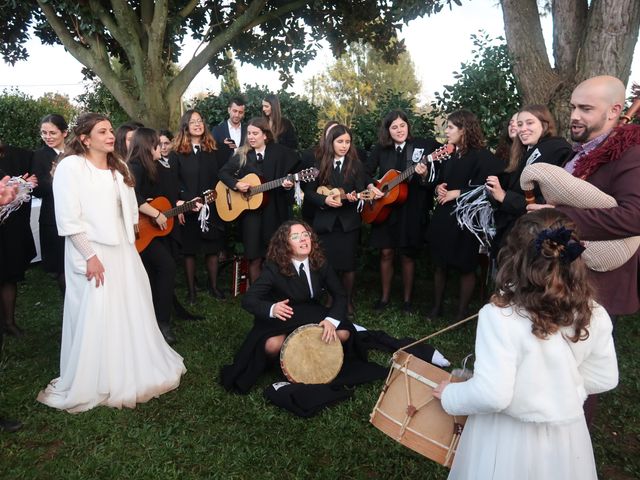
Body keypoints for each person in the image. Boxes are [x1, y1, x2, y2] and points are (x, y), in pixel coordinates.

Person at [432, 209, 618, 480]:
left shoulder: (499, 316)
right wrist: (559, 389)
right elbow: (605, 377)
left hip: (506, 436)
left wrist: (450, 395)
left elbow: (492, 394)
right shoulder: (595, 313)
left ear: (514, 257)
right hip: (566, 437)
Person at [37, 113, 185, 412]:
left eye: (109, 131)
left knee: (129, 307)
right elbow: (69, 218)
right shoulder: (71, 167)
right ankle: (98, 376)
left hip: (122, 250)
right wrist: (89, 256)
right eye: (102, 131)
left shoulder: (118, 167)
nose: (109, 136)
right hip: (91, 252)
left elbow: (130, 211)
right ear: (84, 138)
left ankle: (130, 365)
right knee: (97, 311)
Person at [528, 75, 640, 319]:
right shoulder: (580, 152)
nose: (574, 116)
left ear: (615, 111)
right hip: (562, 281)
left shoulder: (631, 154)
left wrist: (558, 218)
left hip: (597, 290)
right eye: (573, 107)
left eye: (586, 109)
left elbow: (635, 216)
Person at [220, 220, 353, 393]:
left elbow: (340, 295)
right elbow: (249, 300)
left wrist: (331, 320)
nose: (303, 240)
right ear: (285, 244)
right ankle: (283, 362)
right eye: (296, 237)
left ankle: (306, 355)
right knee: (272, 345)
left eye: (306, 235)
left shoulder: (320, 262)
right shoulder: (274, 268)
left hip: (311, 312)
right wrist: (272, 309)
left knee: (343, 333)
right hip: (283, 317)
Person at [427, 110, 502, 321]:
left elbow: (488, 187)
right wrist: (439, 188)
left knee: (466, 266)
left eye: (450, 127)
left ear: (464, 129)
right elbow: (439, 180)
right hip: (444, 215)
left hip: (467, 219)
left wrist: (457, 193)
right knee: (439, 263)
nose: (446, 131)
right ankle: (436, 307)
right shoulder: (450, 154)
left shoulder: (483, 156)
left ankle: (460, 314)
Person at [366, 110, 440, 312]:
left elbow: (431, 181)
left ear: (408, 126)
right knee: (386, 253)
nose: (399, 130)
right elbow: (365, 172)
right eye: (394, 127)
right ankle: (384, 297)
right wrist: (372, 186)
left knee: (407, 254)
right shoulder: (381, 150)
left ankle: (407, 301)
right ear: (387, 131)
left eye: (402, 125)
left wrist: (424, 176)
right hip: (384, 209)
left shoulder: (421, 148)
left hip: (410, 210)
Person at [304, 124, 373, 318]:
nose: (344, 146)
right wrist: (324, 200)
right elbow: (309, 192)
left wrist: (355, 196)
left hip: (348, 223)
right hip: (325, 223)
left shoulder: (356, 165)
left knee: (348, 265)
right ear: (331, 142)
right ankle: (330, 299)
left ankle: (347, 301)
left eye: (347, 142)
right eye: (340, 141)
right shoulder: (319, 164)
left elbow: (361, 190)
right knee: (327, 264)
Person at [218, 117, 299, 283]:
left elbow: (292, 173)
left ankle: (275, 293)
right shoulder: (242, 155)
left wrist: (287, 185)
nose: (251, 137)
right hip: (251, 217)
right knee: (254, 257)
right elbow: (222, 173)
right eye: (249, 133)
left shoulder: (278, 153)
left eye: (255, 133)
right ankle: (257, 296)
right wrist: (236, 184)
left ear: (265, 136)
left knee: (274, 256)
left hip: (273, 212)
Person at [486, 105, 571, 257]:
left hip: (532, 238)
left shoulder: (556, 149)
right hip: (514, 235)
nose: (523, 129)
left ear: (544, 124)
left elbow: (545, 202)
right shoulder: (527, 151)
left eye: (530, 123)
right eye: (520, 124)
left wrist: (504, 197)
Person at [128, 127, 180, 344]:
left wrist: (181, 205)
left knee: (159, 270)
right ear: (150, 146)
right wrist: (155, 213)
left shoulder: (156, 167)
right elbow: (132, 196)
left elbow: (164, 195)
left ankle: (159, 320)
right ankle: (160, 322)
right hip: (138, 231)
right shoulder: (134, 167)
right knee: (165, 267)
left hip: (152, 233)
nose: (163, 146)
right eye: (158, 144)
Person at [172, 109, 226, 304]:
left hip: (211, 205)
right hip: (188, 207)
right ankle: (191, 291)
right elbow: (174, 181)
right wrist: (186, 201)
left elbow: (221, 176)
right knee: (190, 250)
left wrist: (211, 198)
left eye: (200, 121)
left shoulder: (213, 149)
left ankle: (213, 286)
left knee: (212, 247)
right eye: (193, 121)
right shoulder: (177, 152)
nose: (197, 124)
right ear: (185, 126)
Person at [0, 141, 37, 337]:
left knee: (8, 275)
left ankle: (9, 322)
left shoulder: (13, 156)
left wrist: (22, 186)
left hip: (9, 231)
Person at [32, 114, 69, 293]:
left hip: (79, 215)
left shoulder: (76, 153)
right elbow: (37, 191)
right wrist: (53, 178)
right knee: (62, 267)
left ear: (64, 133)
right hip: (52, 219)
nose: (47, 137)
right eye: (44, 133)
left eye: (52, 133)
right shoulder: (38, 157)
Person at [211, 96, 247, 164]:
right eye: (234, 111)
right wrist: (222, 147)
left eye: (240, 112)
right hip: (222, 172)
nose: (237, 115)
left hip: (245, 173)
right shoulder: (217, 130)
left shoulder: (248, 131)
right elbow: (212, 154)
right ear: (229, 110)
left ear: (244, 113)